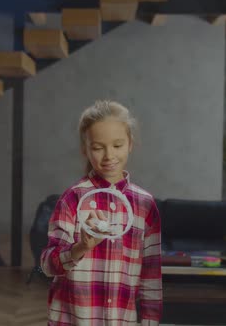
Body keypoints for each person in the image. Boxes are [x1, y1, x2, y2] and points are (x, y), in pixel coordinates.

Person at [40, 100, 162, 325]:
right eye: (97, 147)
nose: (108, 155)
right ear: (85, 149)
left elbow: (151, 277)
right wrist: (81, 247)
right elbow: (47, 265)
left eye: (117, 145)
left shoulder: (145, 206)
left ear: (130, 144)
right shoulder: (72, 199)